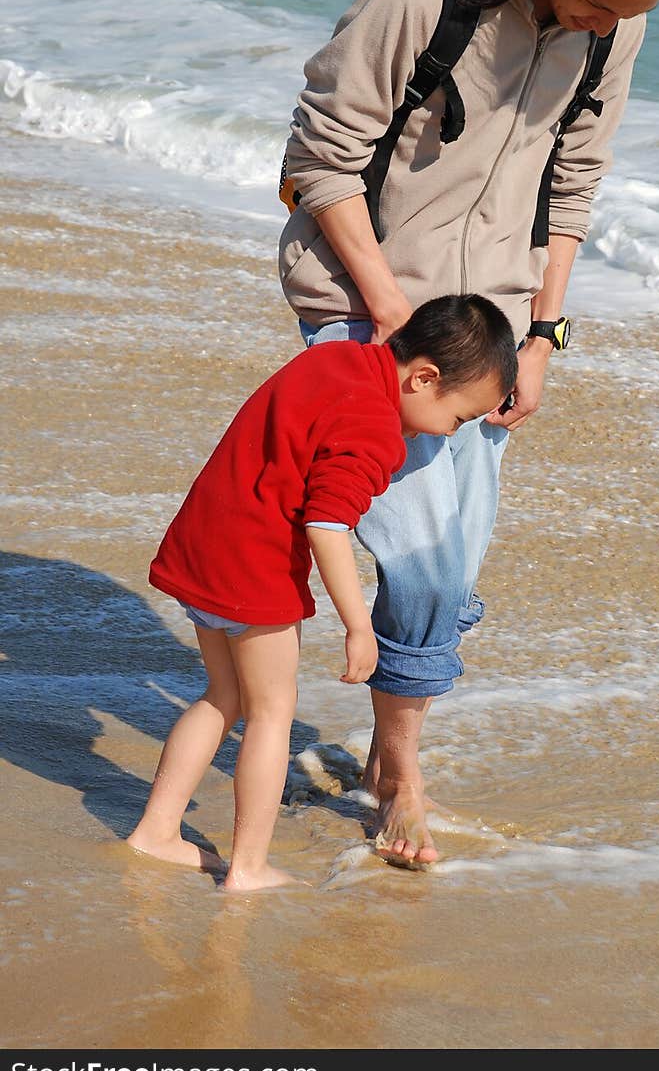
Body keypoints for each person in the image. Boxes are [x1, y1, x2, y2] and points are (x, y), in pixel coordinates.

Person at [277, 0, 659, 866]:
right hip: (371, 311)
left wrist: (541, 337)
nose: (605, 25)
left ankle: (388, 737)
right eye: (594, 1)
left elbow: (573, 180)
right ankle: (401, 770)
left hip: (494, 330)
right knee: (417, 552)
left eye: (625, 13)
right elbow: (318, 160)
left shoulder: (613, 28)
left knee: (452, 562)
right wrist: (384, 308)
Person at [127, 294, 518, 891]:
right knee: (272, 713)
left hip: (203, 540)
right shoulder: (376, 431)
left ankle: (157, 830)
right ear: (424, 378)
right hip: (254, 569)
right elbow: (327, 524)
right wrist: (359, 626)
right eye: (460, 418)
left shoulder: (333, 359)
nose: (453, 432)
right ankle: (248, 867)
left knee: (222, 694)